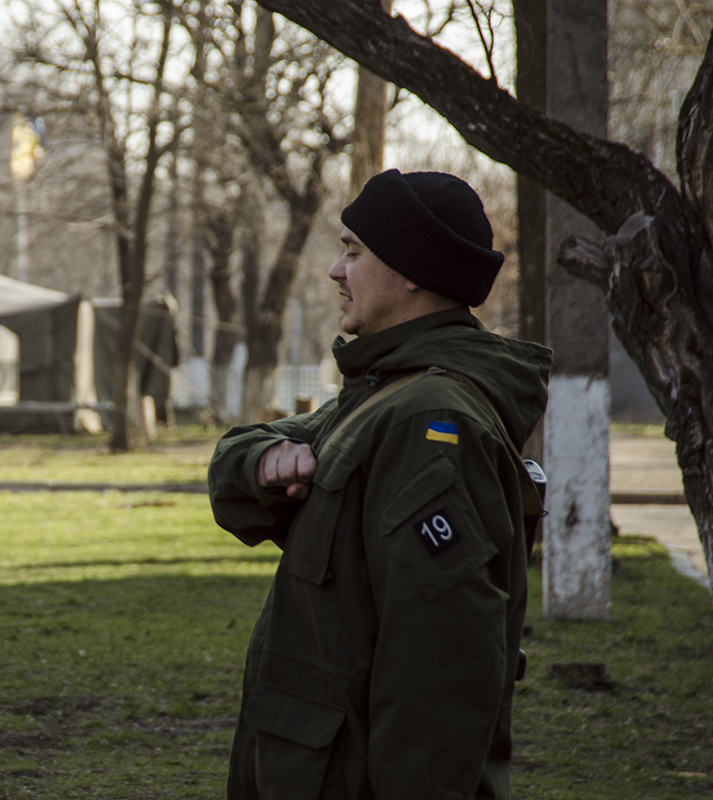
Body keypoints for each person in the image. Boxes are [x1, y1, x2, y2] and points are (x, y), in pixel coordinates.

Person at [208, 169, 552, 800]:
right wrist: (264, 461)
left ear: (411, 269)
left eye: (354, 252)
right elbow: (237, 473)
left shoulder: (428, 419)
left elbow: (441, 667)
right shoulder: (386, 394)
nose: (336, 271)